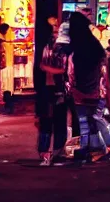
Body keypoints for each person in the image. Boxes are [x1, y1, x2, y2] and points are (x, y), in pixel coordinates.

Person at [68, 12, 110, 162]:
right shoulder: (94, 44)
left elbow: (73, 69)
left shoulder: (75, 45)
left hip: (80, 89)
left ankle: (90, 147)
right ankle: (99, 147)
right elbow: (103, 63)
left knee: (84, 121)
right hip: (94, 88)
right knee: (94, 119)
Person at [36, 17, 70, 165]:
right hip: (50, 88)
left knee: (58, 121)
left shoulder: (64, 47)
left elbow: (47, 67)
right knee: (47, 121)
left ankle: (56, 151)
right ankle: (46, 152)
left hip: (59, 88)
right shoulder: (49, 46)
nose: (56, 34)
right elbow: (45, 66)